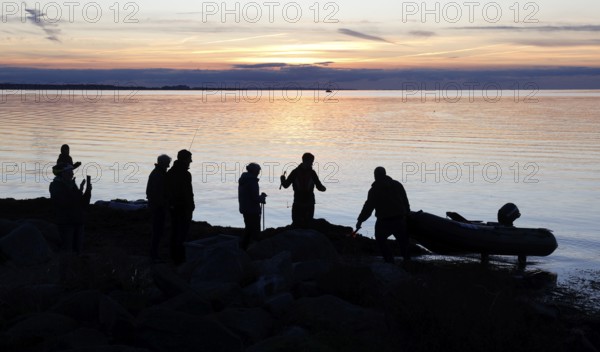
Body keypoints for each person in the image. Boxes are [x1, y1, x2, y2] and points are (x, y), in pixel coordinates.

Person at [356, 167, 410, 264]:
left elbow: (368, 208)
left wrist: (360, 220)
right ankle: (407, 261)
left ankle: (390, 261)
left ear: (375, 176)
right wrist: (407, 215)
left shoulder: (374, 190)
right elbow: (405, 202)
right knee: (403, 243)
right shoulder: (397, 185)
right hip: (400, 219)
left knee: (380, 239)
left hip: (384, 221)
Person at [49, 163, 92, 254]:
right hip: (66, 224)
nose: (72, 174)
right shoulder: (55, 186)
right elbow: (66, 203)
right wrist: (79, 191)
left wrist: (87, 191)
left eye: (72, 171)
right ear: (62, 173)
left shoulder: (72, 185)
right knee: (68, 252)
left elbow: (83, 204)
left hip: (78, 222)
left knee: (78, 252)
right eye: (70, 171)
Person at [280, 152, 326, 227]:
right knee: (304, 225)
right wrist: (323, 188)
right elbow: (319, 187)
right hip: (304, 203)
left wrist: (282, 179)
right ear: (305, 161)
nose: (312, 164)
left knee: (299, 225)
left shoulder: (295, 172)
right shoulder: (311, 173)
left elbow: (285, 185)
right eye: (311, 162)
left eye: (312, 162)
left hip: (302, 203)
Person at [167, 149, 194, 264]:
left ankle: (174, 255)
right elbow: (187, 192)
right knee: (183, 231)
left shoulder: (170, 172)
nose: (191, 161)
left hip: (173, 206)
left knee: (175, 230)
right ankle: (180, 256)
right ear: (185, 159)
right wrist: (191, 205)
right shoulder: (186, 174)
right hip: (183, 207)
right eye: (189, 159)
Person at [146, 154, 171, 262]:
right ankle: (154, 254)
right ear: (163, 163)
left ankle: (155, 253)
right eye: (167, 163)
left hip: (157, 206)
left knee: (158, 231)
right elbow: (156, 193)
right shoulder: (158, 174)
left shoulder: (159, 173)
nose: (169, 165)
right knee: (157, 231)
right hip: (158, 207)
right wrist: (164, 204)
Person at [238, 163, 267, 250]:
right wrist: (262, 197)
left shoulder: (244, 179)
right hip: (252, 210)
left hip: (245, 208)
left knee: (248, 228)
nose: (259, 173)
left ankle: (244, 247)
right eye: (258, 171)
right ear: (254, 171)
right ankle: (252, 250)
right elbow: (255, 197)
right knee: (254, 230)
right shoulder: (252, 181)